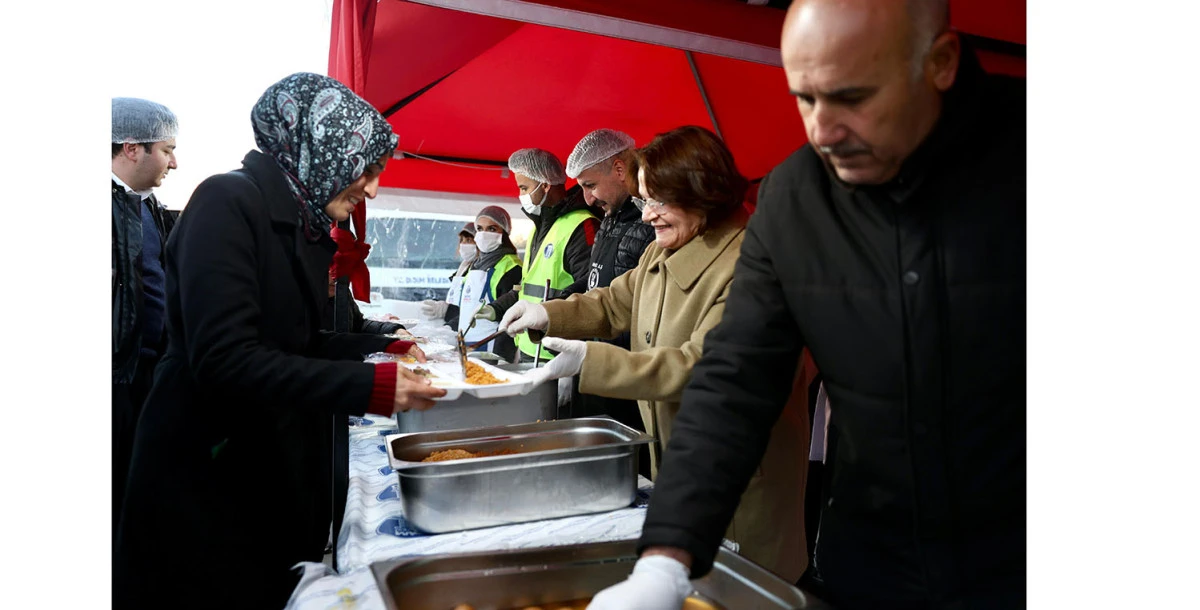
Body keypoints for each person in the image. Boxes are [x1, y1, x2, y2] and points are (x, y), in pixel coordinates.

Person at [587, 0, 1026, 608]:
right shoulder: (795, 197)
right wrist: (666, 557)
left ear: (941, 63)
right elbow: (735, 380)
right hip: (872, 564)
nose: (822, 131)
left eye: (852, 96)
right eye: (805, 99)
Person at [113, 73, 446, 610]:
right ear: (325, 152)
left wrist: (382, 349)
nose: (371, 189)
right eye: (367, 170)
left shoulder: (300, 221)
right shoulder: (225, 203)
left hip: (263, 465)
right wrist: (370, 386)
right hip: (206, 473)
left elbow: (297, 341)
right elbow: (225, 359)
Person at [499, 126, 809, 581]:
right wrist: (547, 313)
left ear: (702, 192)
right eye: (644, 200)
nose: (646, 216)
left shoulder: (754, 266)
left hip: (737, 485)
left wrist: (591, 361)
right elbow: (613, 302)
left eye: (658, 201)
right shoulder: (664, 249)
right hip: (680, 470)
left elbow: (700, 366)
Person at [111, 97, 179, 536]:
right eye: (167, 150)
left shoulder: (149, 207)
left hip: (148, 374)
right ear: (132, 148)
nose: (174, 163)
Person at [563, 129, 655, 439]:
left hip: (631, 376)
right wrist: (560, 303)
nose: (587, 198)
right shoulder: (610, 217)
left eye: (590, 185)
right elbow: (597, 280)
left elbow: (627, 298)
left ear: (619, 169)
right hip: (597, 365)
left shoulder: (651, 224)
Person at [480, 147, 599, 362]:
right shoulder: (539, 228)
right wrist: (496, 309)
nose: (521, 195)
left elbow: (590, 293)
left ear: (544, 185)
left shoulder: (581, 225)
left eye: (524, 188)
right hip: (530, 347)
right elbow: (527, 288)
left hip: (558, 352)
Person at [420, 222, 477, 326]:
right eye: (462, 241)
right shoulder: (463, 267)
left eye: (469, 240)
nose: (463, 245)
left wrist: (447, 310)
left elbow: (473, 310)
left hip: (464, 329)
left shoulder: (480, 271)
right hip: (454, 325)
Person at [322, 269, 405, 335]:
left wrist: (394, 330)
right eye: (328, 270)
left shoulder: (341, 292)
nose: (334, 277)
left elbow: (359, 324)